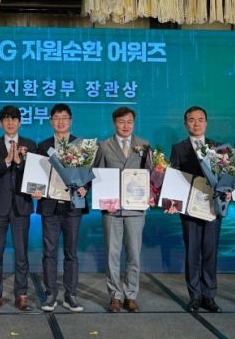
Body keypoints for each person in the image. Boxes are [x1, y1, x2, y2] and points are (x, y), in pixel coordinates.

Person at [93, 106, 152, 313]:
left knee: (134, 254)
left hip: (136, 209)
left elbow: (150, 175)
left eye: (129, 122)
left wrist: (151, 192)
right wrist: (102, 200)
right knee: (112, 254)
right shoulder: (104, 146)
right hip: (112, 210)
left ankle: (131, 295)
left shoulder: (144, 145)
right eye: (121, 122)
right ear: (114, 123)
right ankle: (115, 296)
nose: (125, 126)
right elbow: (97, 175)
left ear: (134, 123)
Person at [168, 106, 224, 313]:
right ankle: (195, 296)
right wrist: (172, 202)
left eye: (200, 119)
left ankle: (209, 296)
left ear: (206, 123)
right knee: (192, 253)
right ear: (185, 124)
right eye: (191, 120)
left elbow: (226, 176)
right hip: (189, 209)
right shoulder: (178, 148)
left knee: (210, 253)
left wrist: (227, 190)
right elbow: (174, 176)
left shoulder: (218, 147)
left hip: (212, 207)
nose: (196, 123)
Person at [34, 103, 87, 313]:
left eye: (64, 118)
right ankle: (51, 294)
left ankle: (70, 295)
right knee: (49, 252)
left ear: (71, 121)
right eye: (56, 118)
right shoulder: (42, 146)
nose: (61, 121)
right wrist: (35, 190)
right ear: (50, 121)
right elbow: (37, 175)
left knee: (71, 253)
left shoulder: (81, 145)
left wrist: (85, 187)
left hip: (73, 206)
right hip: (50, 206)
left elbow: (89, 173)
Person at [0, 106, 37, 312]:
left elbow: (34, 175)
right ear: (0, 123)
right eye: (6, 119)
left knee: (21, 253)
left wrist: (19, 163)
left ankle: (21, 295)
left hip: (21, 205)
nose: (10, 122)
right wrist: (7, 161)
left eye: (14, 119)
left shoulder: (30, 145)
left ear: (20, 122)